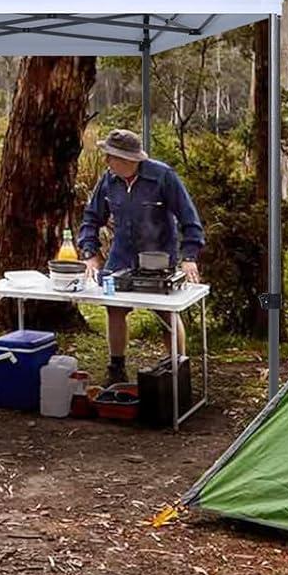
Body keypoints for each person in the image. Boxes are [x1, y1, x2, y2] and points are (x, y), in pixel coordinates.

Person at [78, 128, 204, 385]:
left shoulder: (163, 177)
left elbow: (189, 218)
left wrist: (189, 255)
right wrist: (90, 253)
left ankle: (177, 369)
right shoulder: (108, 180)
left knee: (167, 313)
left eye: (111, 157)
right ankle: (116, 367)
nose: (106, 162)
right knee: (114, 308)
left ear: (129, 160)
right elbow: (92, 217)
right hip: (121, 257)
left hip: (158, 258)